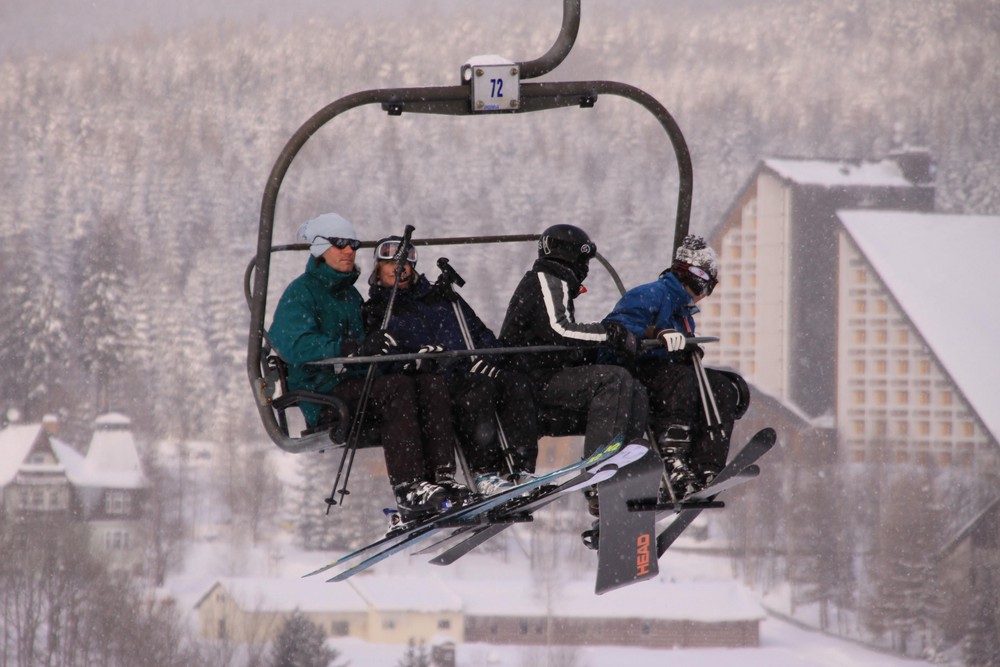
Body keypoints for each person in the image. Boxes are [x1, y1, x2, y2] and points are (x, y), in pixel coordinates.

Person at [268, 213, 470, 523]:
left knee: (427, 382)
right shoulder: (302, 293)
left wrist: (408, 358)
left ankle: (441, 479)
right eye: (340, 245)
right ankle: (409, 488)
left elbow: (368, 351)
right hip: (322, 392)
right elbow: (294, 344)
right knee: (397, 389)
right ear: (320, 249)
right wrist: (346, 350)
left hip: (357, 386)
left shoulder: (350, 295)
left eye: (353, 245)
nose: (349, 251)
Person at [363, 236, 538, 496]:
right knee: (476, 391)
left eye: (405, 263)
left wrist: (485, 359)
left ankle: (520, 468)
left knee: (515, 383)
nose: (398, 270)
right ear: (378, 268)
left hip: (468, 370)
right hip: (432, 382)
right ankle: (484, 472)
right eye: (389, 264)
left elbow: (481, 335)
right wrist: (418, 362)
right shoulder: (377, 311)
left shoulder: (443, 299)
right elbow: (386, 360)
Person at [499, 223, 649, 514]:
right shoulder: (546, 278)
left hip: (547, 374)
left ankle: (626, 471)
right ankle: (600, 474)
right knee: (613, 380)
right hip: (531, 379)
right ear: (569, 256)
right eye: (584, 261)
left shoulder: (558, 283)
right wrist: (609, 334)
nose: (586, 269)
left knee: (634, 389)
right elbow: (559, 331)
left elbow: (556, 339)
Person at [602, 234, 750, 496]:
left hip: (667, 373)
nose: (706, 294)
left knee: (720, 387)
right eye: (708, 286)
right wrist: (654, 334)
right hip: (638, 371)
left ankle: (707, 464)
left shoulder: (683, 310)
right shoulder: (651, 294)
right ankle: (673, 457)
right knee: (680, 379)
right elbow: (618, 329)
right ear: (695, 276)